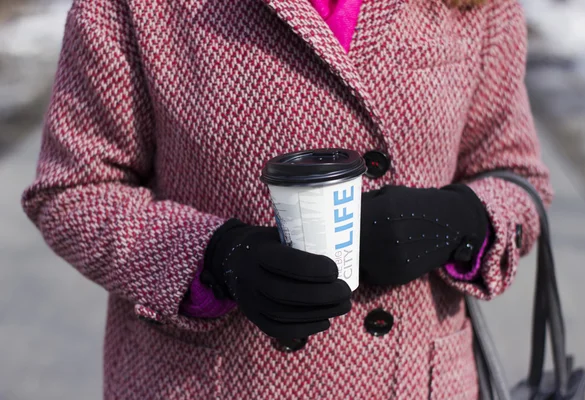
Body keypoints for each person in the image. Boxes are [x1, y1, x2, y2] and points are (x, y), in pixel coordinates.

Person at [21, 0, 552, 398]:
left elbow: (516, 174)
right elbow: (71, 189)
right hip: (209, 382)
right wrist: (213, 257)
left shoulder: (481, 6)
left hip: (417, 380)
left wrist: (460, 220)